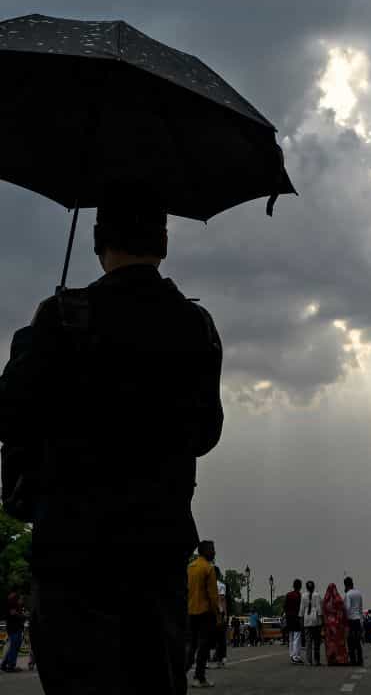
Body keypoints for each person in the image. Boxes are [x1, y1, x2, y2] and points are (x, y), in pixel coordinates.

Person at [0, 183, 223, 693]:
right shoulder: (196, 325)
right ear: (163, 243)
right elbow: (205, 434)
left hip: (72, 551)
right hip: (156, 549)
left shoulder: (62, 315)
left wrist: (31, 341)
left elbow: (9, 415)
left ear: (97, 240)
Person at [186, 541, 220, 688]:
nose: (214, 552)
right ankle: (199, 677)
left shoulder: (190, 567)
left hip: (191, 610)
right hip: (205, 612)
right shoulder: (209, 568)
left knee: (191, 645)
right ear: (206, 551)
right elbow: (213, 595)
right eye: (212, 550)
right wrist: (217, 613)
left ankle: (180, 671)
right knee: (204, 646)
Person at [322, 583, 348, 666]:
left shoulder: (325, 600)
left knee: (330, 643)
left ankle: (331, 659)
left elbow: (323, 614)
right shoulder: (338, 600)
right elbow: (342, 613)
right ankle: (340, 659)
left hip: (328, 626)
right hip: (337, 625)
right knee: (339, 643)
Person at [1, 591, 25, 673]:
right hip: (14, 629)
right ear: (16, 599)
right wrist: (23, 616)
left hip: (15, 628)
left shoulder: (16, 606)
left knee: (13, 647)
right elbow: (14, 615)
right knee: (14, 647)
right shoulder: (12, 605)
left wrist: (21, 615)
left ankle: (4, 664)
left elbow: (16, 615)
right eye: (20, 599)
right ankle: (11, 666)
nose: (21, 600)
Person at [343, 577, 364, 666]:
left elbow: (347, 608)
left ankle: (353, 660)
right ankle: (360, 660)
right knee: (357, 641)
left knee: (350, 641)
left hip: (351, 620)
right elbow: (360, 608)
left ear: (346, 585)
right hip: (358, 620)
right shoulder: (359, 593)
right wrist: (361, 621)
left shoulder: (348, 594)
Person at [301, 581, 323, 666]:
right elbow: (319, 609)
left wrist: (302, 621)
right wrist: (321, 621)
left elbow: (301, 610)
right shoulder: (317, 595)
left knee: (308, 642)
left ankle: (309, 660)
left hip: (307, 620)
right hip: (315, 620)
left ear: (306, 587)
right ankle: (316, 660)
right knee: (316, 642)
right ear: (314, 587)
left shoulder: (303, 596)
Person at [210, 567, 227, 669]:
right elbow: (222, 600)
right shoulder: (221, 585)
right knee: (220, 637)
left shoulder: (206, 584)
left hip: (208, 612)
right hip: (219, 613)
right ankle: (220, 659)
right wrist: (225, 614)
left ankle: (207, 660)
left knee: (207, 636)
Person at [285, 579, 303, 664]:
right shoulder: (299, 595)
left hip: (289, 618)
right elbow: (301, 608)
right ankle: (296, 656)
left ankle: (291, 654)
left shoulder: (288, 594)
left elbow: (285, 606)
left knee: (291, 638)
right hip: (296, 618)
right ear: (300, 586)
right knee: (297, 638)